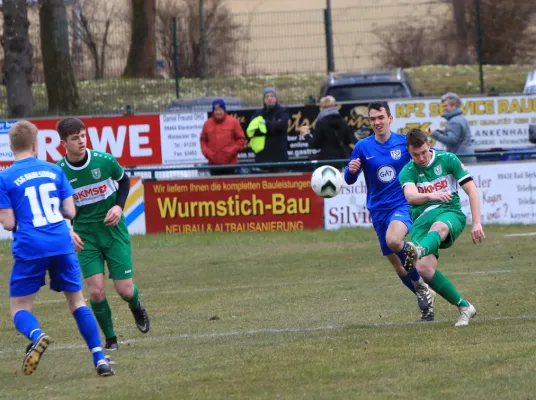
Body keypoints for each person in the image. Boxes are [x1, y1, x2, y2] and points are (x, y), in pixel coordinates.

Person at [0, 121, 114, 376]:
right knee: (77, 301)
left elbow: (8, 223)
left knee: (19, 308)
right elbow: (70, 211)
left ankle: (37, 335)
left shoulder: (4, 177)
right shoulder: (54, 170)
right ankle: (99, 358)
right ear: (35, 144)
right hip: (61, 241)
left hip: (31, 244)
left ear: (10, 147)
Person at [56, 117, 150, 351]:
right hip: (85, 236)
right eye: (75, 138)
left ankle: (136, 304)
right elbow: (53, 206)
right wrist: (67, 230)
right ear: (63, 143)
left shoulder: (104, 161)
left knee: (125, 290)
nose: (81, 141)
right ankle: (111, 339)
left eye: (83, 136)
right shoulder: (58, 172)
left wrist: (118, 207)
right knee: (96, 292)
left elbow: (124, 181)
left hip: (113, 231)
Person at [344, 101, 436, 321]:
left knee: (395, 241)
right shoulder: (363, 147)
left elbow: (426, 158)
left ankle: (419, 277)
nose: (377, 122)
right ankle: (426, 302)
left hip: (402, 205)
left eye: (380, 117)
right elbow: (349, 179)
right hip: (378, 210)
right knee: (399, 267)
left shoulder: (403, 143)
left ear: (390, 118)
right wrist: (350, 170)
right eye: (372, 119)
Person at [400, 128, 485, 327]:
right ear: (409, 152)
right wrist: (431, 195)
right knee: (424, 268)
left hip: (449, 212)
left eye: (423, 152)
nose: (421, 158)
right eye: (415, 154)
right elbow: (411, 197)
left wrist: (477, 222)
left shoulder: (448, 159)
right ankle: (465, 307)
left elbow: (472, 190)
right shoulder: (407, 171)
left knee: (438, 227)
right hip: (421, 220)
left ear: (429, 145)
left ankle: (419, 249)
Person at [298, 95, 354, 169]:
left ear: (323, 108)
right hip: (341, 160)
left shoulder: (321, 122)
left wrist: (306, 135)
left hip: (326, 160)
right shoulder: (342, 121)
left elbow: (315, 144)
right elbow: (348, 141)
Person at [246, 87, 290, 173]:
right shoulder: (258, 113)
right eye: (267, 96)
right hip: (262, 157)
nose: (269, 98)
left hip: (279, 157)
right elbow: (252, 131)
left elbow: (280, 126)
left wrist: (265, 124)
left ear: (276, 99)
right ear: (264, 100)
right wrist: (271, 127)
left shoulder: (282, 112)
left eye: (272, 96)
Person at [200, 98, 246, 176]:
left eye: (220, 110)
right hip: (214, 165)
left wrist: (231, 151)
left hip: (231, 164)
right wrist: (208, 154)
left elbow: (241, 139)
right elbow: (203, 141)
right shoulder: (207, 124)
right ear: (213, 111)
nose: (218, 112)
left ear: (224, 110)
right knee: (216, 188)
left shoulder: (233, 122)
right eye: (216, 110)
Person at [430, 92, 476, 164]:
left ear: (454, 106)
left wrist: (434, 134)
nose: (444, 108)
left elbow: (451, 140)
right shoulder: (460, 118)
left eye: (446, 106)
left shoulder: (454, 121)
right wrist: (445, 132)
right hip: (465, 157)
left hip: (461, 159)